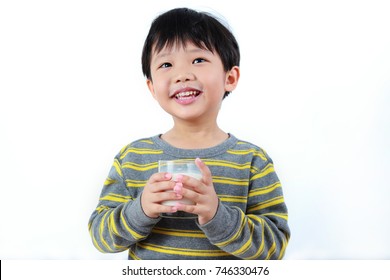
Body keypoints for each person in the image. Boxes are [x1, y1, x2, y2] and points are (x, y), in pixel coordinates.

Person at [88, 7, 290, 260]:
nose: (182, 75)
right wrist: (140, 210)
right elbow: (101, 237)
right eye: (166, 64)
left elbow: (274, 248)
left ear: (230, 77)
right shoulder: (133, 157)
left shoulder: (251, 161)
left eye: (198, 60)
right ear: (152, 87)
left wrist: (217, 215)